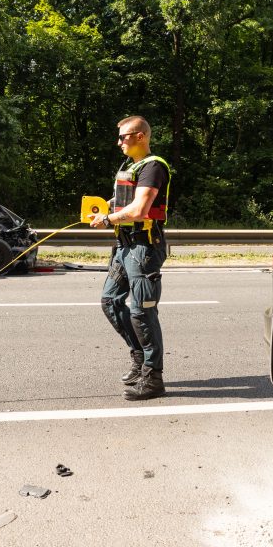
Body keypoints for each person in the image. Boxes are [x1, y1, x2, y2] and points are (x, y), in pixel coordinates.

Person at [88, 116, 171, 401]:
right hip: (124, 249)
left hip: (144, 249)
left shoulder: (153, 167)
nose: (119, 142)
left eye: (123, 137)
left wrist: (108, 218)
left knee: (142, 312)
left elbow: (139, 209)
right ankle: (139, 357)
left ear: (140, 137)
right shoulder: (129, 167)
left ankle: (153, 378)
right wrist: (104, 210)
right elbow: (123, 201)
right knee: (110, 302)